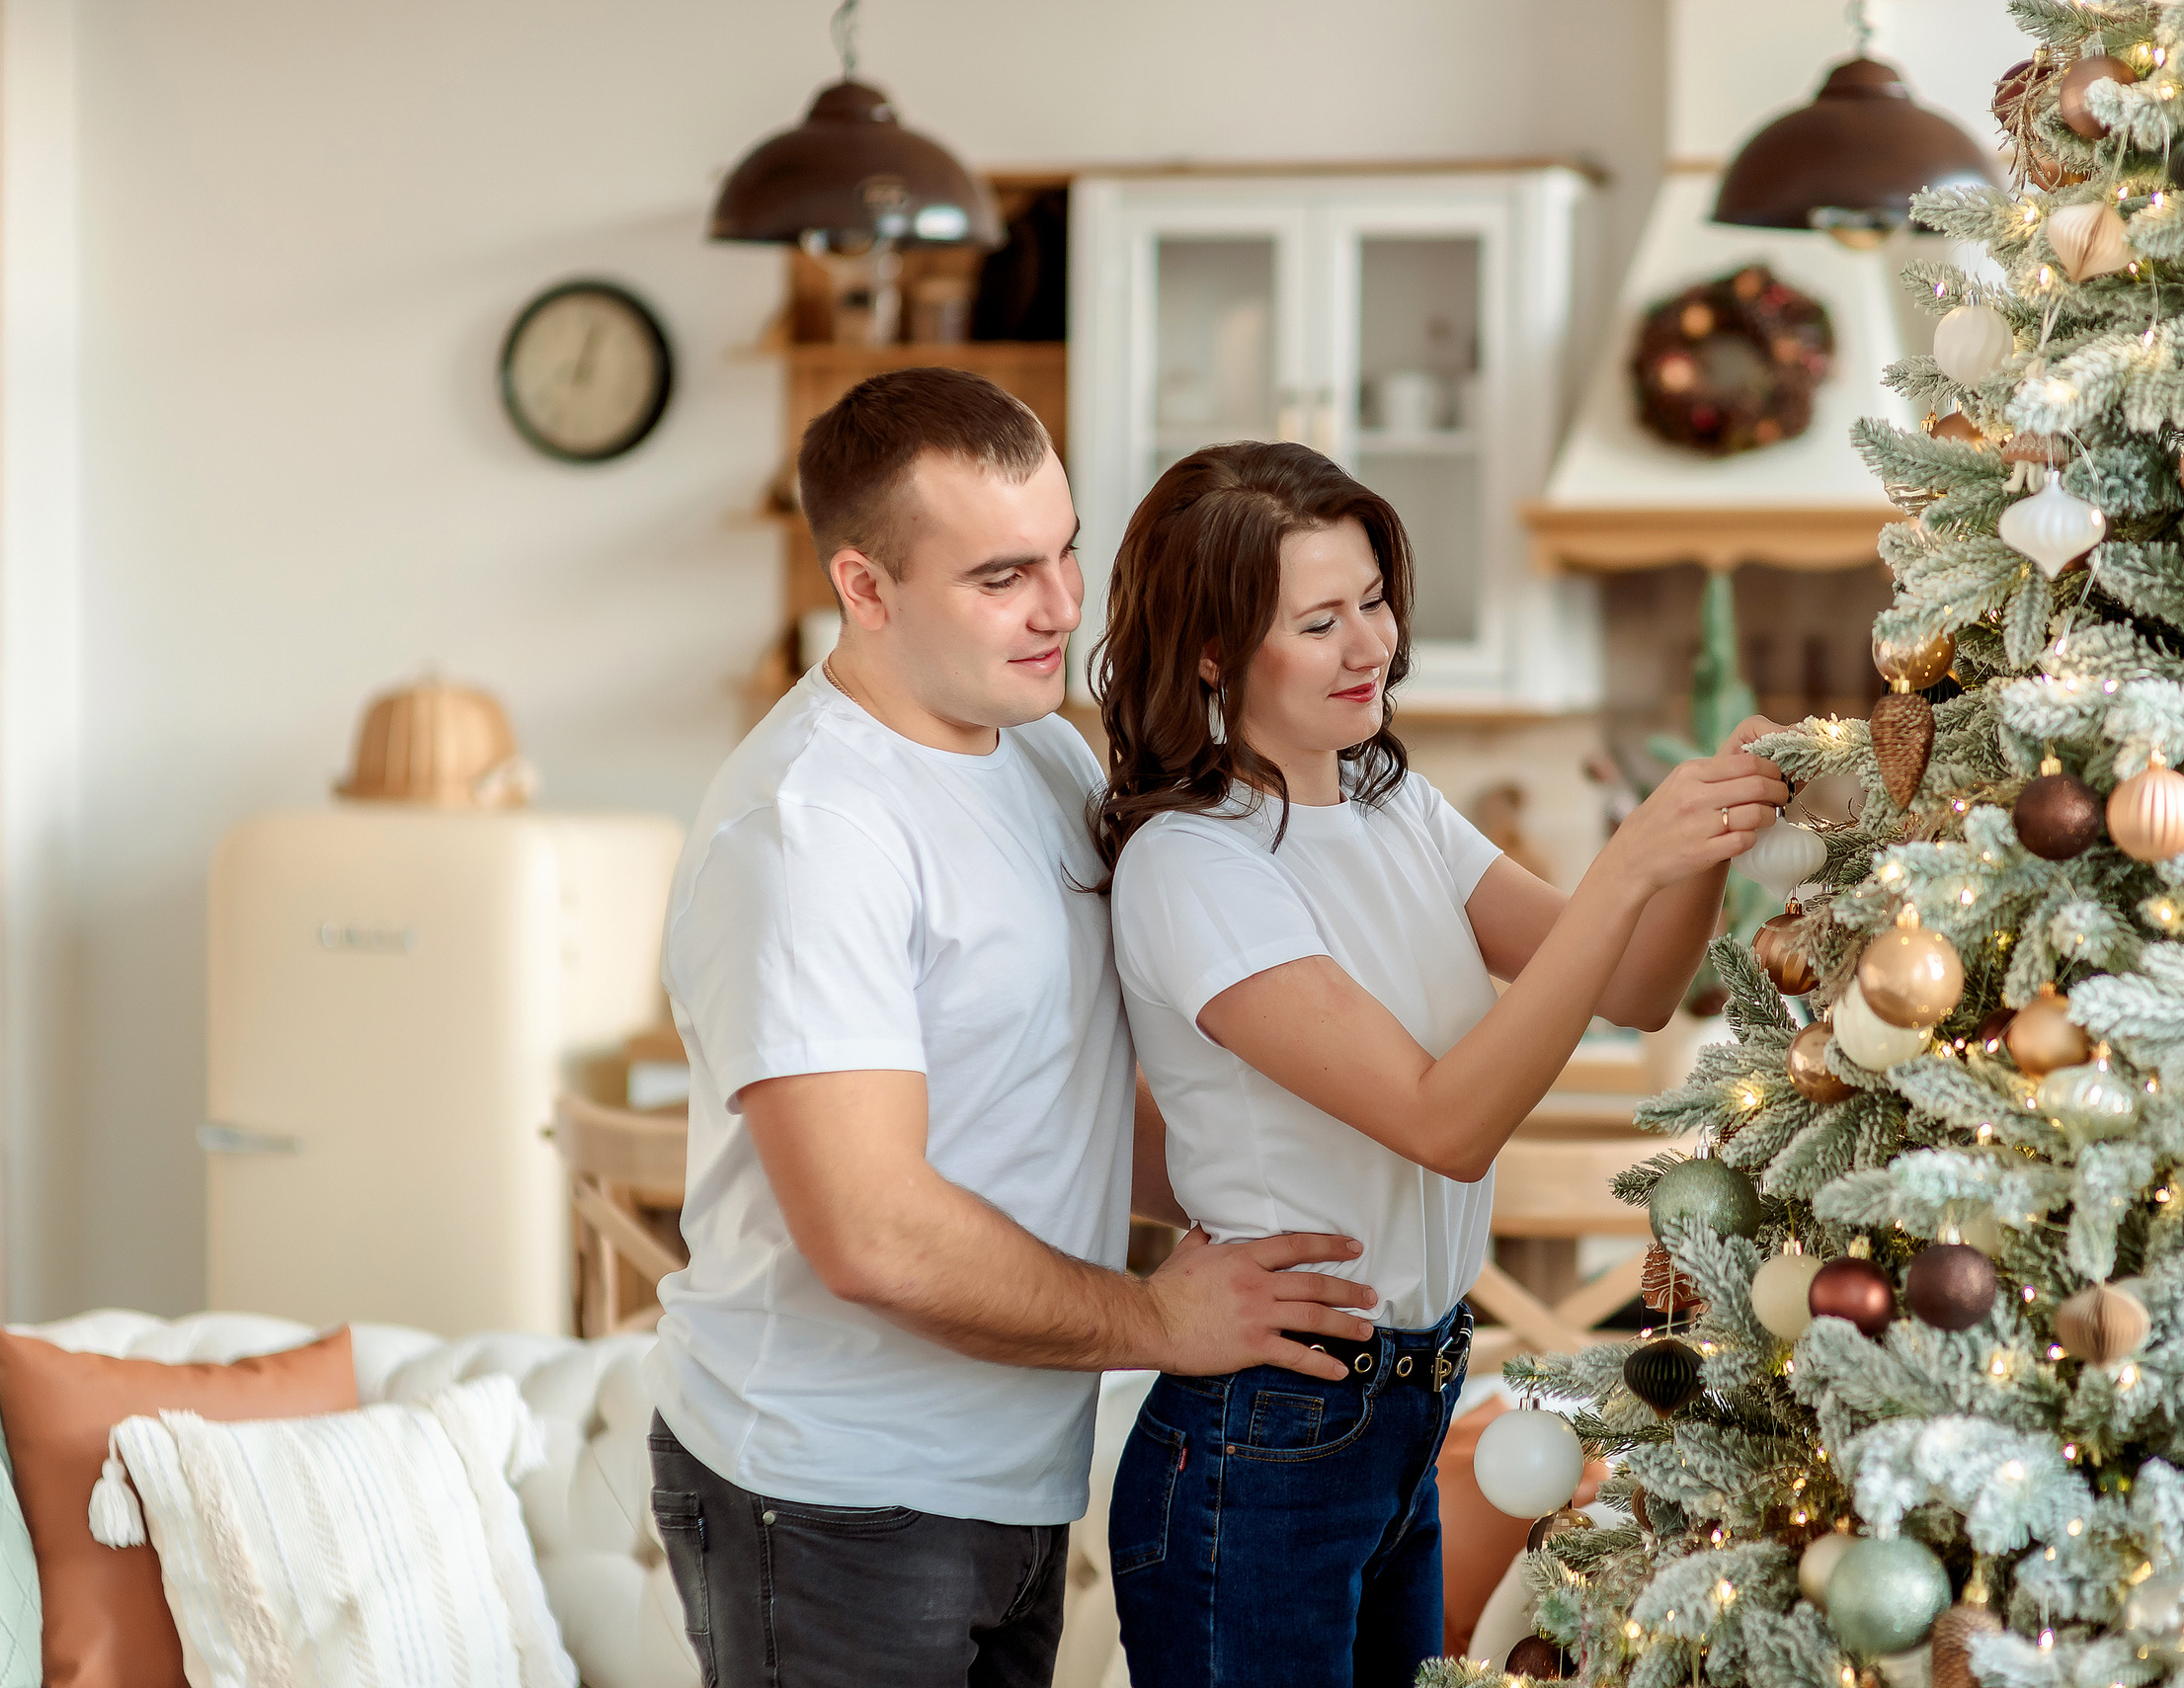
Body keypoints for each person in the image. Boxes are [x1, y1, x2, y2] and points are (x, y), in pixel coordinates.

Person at [644, 370, 1379, 1688]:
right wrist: (1161, 1321)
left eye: (1066, 548)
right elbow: (873, 1232)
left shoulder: (1040, 753)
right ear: (865, 587)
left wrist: (1264, 1202)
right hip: (831, 1501)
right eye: (1000, 577)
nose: (1060, 607)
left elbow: (1067, 1087)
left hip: (1007, 1476)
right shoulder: (813, 833)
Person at [1089, 441, 1788, 1688]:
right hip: (1271, 1434)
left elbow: (1630, 982)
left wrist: (1710, 834)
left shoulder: (1389, 801)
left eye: (1371, 598)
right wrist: (1630, 858)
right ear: (1210, 651)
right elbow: (1443, 1120)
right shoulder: (1192, 866)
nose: (1370, 644)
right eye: (1317, 619)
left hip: (1410, 1404)